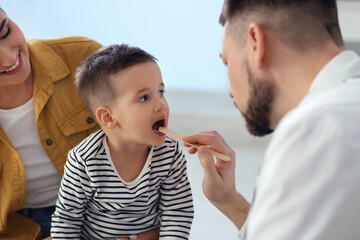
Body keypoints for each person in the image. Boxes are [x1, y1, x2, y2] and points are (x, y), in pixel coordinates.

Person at [183, 0, 360, 239]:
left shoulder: (313, 131)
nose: (231, 92)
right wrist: (229, 201)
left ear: (257, 42)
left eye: (227, 62)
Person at [50, 44, 194, 240]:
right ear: (108, 117)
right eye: (144, 97)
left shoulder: (169, 152)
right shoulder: (83, 160)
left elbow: (177, 212)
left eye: (160, 92)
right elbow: (67, 221)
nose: (161, 105)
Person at [0, 7, 103, 240]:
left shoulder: (85, 56)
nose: (8, 58)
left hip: (102, 214)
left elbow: (145, 146)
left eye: (5, 32)